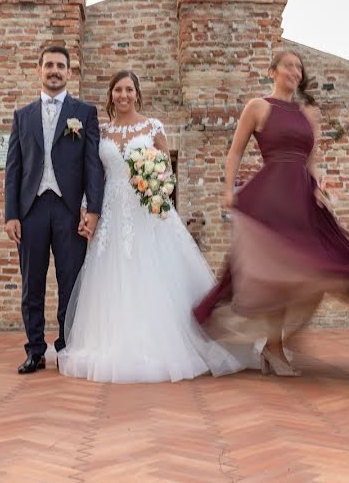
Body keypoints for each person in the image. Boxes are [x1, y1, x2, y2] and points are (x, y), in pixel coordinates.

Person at [194, 50, 349, 377]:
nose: (294, 71)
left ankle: (277, 345)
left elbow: (312, 161)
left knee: (316, 269)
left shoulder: (308, 112)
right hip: (271, 196)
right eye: (288, 65)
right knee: (279, 274)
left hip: (303, 198)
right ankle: (274, 349)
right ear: (272, 70)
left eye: (299, 67)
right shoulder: (257, 106)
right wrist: (228, 190)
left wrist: (320, 186)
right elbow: (235, 152)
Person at [58, 71, 247, 383]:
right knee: (114, 274)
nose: (123, 95)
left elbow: (167, 173)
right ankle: (114, 342)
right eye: (117, 90)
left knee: (150, 271)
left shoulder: (153, 126)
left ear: (137, 93)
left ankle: (159, 344)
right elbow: (95, 176)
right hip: (112, 210)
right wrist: (85, 208)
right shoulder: (101, 132)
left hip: (147, 209)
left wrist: (156, 191)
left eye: (129, 89)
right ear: (110, 95)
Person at [4, 46, 105, 374]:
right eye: (48, 65)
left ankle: (66, 346)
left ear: (69, 72)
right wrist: (11, 214)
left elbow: (92, 164)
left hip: (68, 209)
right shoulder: (22, 115)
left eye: (60, 66)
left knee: (70, 282)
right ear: (38, 70)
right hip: (31, 210)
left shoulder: (84, 113)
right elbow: (13, 168)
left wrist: (93, 209)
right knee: (31, 284)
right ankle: (35, 350)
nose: (54, 71)